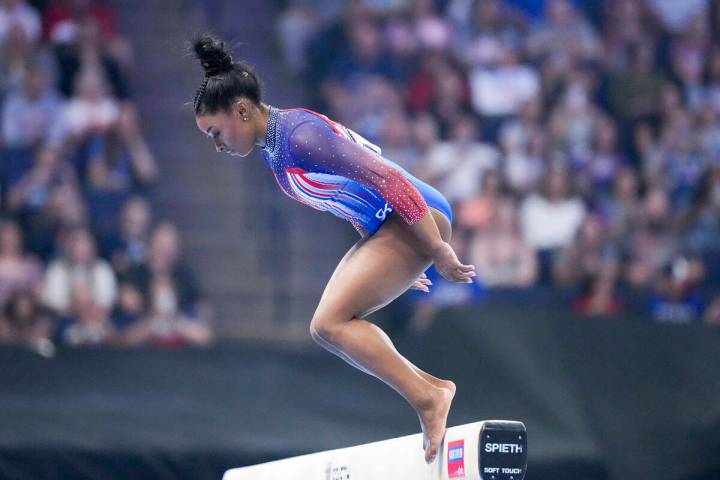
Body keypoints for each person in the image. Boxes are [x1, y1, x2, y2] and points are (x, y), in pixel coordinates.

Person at [189, 34, 475, 464]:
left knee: (329, 323)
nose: (217, 144)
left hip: (418, 213)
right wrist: (394, 257)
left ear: (242, 110)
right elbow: (351, 195)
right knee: (325, 326)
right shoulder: (275, 145)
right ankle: (431, 391)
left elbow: (387, 179)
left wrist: (433, 247)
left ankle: (429, 398)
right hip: (391, 225)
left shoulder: (300, 137)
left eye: (216, 131)